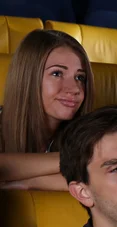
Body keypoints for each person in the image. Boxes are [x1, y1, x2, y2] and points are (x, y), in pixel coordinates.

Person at [0, 29, 94, 190]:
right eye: (57, 73)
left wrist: (28, 182)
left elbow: (100, 180)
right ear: (28, 78)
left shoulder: (85, 134)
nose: (74, 89)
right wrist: (78, 159)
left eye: (80, 77)